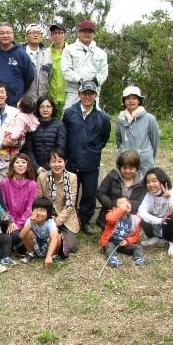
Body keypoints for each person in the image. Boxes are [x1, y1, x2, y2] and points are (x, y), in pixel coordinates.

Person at [63, 80, 111, 234]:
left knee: (89, 194)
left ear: (96, 95)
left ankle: (84, 221)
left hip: (91, 162)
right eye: (85, 93)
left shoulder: (102, 117)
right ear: (79, 94)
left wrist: (94, 150)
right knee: (71, 193)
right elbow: (64, 135)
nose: (87, 97)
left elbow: (104, 138)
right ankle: (69, 220)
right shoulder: (70, 113)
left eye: (91, 93)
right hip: (73, 160)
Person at [137, 168, 173, 256]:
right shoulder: (149, 195)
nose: (151, 184)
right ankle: (158, 238)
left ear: (162, 181)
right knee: (142, 217)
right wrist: (160, 220)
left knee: (172, 217)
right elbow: (140, 212)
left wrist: (170, 199)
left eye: (154, 181)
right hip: (161, 226)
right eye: (148, 182)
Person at [37, 149, 79, 253]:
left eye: (60, 161)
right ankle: (53, 239)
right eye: (53, 161)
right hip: (47, 216)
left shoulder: (72, 177)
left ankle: (56, 238)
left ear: (65, 162)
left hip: (65, 217)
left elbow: (70, 204)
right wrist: (47, 217)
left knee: (71, 246)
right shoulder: (42, 177)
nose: (57, 165)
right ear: (49, 163)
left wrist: (59, 220)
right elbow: (40, 201)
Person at [0, 22, 35, 107]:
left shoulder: (22, 54)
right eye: (1, 33)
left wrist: (18, 92)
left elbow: (29, 78)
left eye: (8, 33)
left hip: (15, 103)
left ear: (13, 35)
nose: (5, 35)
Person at [61, 20, 108, 109]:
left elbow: (104, 73)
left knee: (94, 120)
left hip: (93, 93)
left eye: (90, 31)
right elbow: (66, 71)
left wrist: (93, 81)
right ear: (79, 33)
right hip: (74, 92)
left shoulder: (101, 53)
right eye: (84, 31)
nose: (87, 34)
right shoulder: (68, 50)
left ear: (94, 34)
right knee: (69, 119)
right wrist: (81, 81)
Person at [96, 150, 147, 232]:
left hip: (130, 217)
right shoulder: (112, 176)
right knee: (110, 242)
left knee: (130, 242)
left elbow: (142, 201)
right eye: (124, 168)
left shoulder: (141, 182)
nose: (127, 171)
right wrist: (114, 203)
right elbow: (100, 193)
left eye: (131, 168)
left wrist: (127, 204)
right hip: (111, 216)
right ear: (120, 167)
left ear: (137, 168)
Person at [116, 86, 159, 175]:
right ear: (124, 101)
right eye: (128, 98)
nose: (131, 101)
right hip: (125, 163)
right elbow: (119, 140)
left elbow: (154, 141)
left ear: (139, 101)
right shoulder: (120, 119)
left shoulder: (149, 118)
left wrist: (147, 156)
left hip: (144, 163)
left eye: (134, 98)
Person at [0, 153, 38, 248]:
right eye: (17, 162)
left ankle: (20, 246)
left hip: (26, 222)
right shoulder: (5, 182)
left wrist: (19, 224)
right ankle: (20, 246)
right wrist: (11, 222)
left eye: (23, 162)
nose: (20, 165)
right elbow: (3, 205)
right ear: (12, 165)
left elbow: (31, 208)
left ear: (28, 165)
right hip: (9, 221)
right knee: (15, 236)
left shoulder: (32, 184)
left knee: (25, 234)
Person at [23, 95, 66, 174]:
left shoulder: (59, 125)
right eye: (42, 107)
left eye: (48, 106)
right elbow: (28, 149)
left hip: (54, 168)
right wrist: (37, 168)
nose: (45, 109)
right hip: (35, 169)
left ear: (52, 108)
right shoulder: (32, 124)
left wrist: (48, 166)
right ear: (38, 108)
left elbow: (60, 148)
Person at [100, 197, 146, 268]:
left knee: (138, 247)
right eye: (122, 203)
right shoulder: (112, 215)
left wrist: (127, 241)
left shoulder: (135, 219)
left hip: (123, 244)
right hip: (111, 242)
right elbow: (111, 219)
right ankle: (113, 259)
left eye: (127, 202)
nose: (126, 204)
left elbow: (135, 236)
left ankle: (138, 259)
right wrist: (121, 209)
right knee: (109, 245)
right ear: (115, 208)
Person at [18, 197, 64, 267]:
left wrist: (48, 256)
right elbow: (21, 235)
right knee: (27, 232)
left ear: (48, 212)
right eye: (36, 209)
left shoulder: (50, 222)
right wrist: (31, 224)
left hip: (49, 246)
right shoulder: (30, 220)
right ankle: (30, 254)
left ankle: (54, 256)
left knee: (57, 236)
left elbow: (54, 239)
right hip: (37, 246)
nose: (38, 213)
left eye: (42, 210)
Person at [22, 23, 53, 105]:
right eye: (32, 33)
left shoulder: (47, 53)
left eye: (38, 33)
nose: (36, 35)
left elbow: (49, 76)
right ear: (26, 36)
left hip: (42, 100)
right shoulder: (20, 54)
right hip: (24, 100)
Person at [47, 24, 68, 116]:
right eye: (54, 33)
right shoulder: (46, 52)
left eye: (60, 32)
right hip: (51, 97)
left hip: (68, 96)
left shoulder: (72, 51)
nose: (57, 35)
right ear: (51, 36)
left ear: (65, 35)